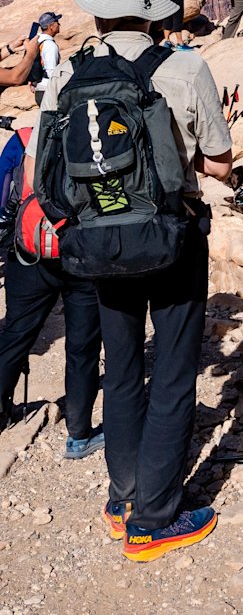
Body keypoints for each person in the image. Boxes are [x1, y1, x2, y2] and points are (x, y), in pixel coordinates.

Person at [44, 0, 232, 562]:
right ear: (150, 12)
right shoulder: (184, 68)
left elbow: (50, 175)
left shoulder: (68, 78)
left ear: (97, 12)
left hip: (98, 242)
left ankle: (121, 497)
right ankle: (153, 521)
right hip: (172, 241)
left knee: (122, 369)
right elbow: (220, 164)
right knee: (175, 375)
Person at [0, 125, 104, 458]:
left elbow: (3, 196)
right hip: (84, 252)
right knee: (83, 347)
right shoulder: (99, 129)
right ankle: (79, 435)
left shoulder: (24, 137)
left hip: (28, 252)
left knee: (16, 333)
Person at [33, 13, 62, 106]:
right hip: (48, 92)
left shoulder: (37, 41)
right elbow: (51, 72)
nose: (59, 24)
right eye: (57, 22)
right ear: (51, 26)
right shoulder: (50, 45)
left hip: (39, 89)